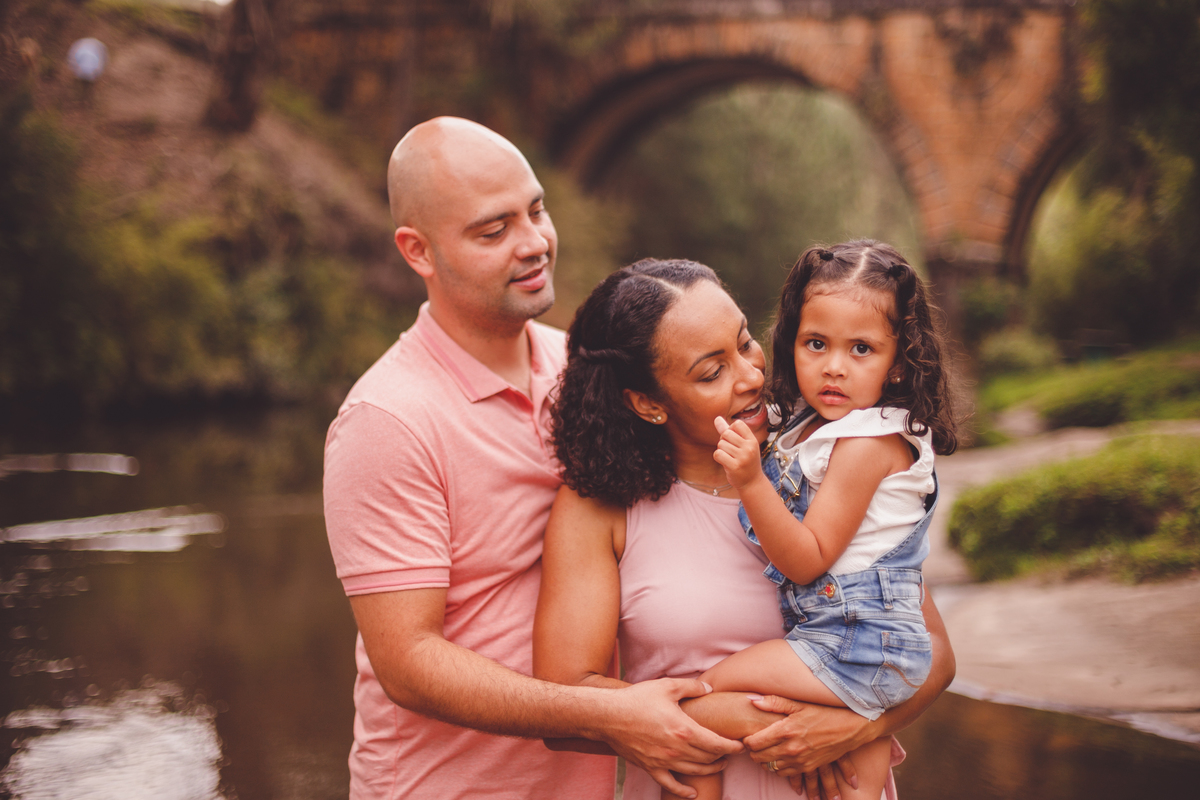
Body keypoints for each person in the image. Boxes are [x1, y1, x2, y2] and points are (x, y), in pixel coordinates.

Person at [322, 117, 746, 800]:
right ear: (418, 251)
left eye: (537, 210)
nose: (533, 243)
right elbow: (407, 663)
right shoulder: (387, 420)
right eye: (494, 232)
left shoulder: (585, 370)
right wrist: (608, 713)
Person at [535, 258, 956, 800]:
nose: (753, 376)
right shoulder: (601, 506)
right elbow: (562, 707)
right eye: (713, 372)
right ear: (647, 402)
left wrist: (860, 726)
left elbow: (932, 650)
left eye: (745, 343)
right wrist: (757, 723)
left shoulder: (817, 456)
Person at [670, 241, 958, 800]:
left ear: (898, 362)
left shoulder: (866, 445)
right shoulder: (813, 426)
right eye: (816, 343)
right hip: (860, 642)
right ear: (791, 341)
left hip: (855, 642)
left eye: (862, 349)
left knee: (697, 700)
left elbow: (807, 560)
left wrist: (749, 482)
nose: (833, 366)